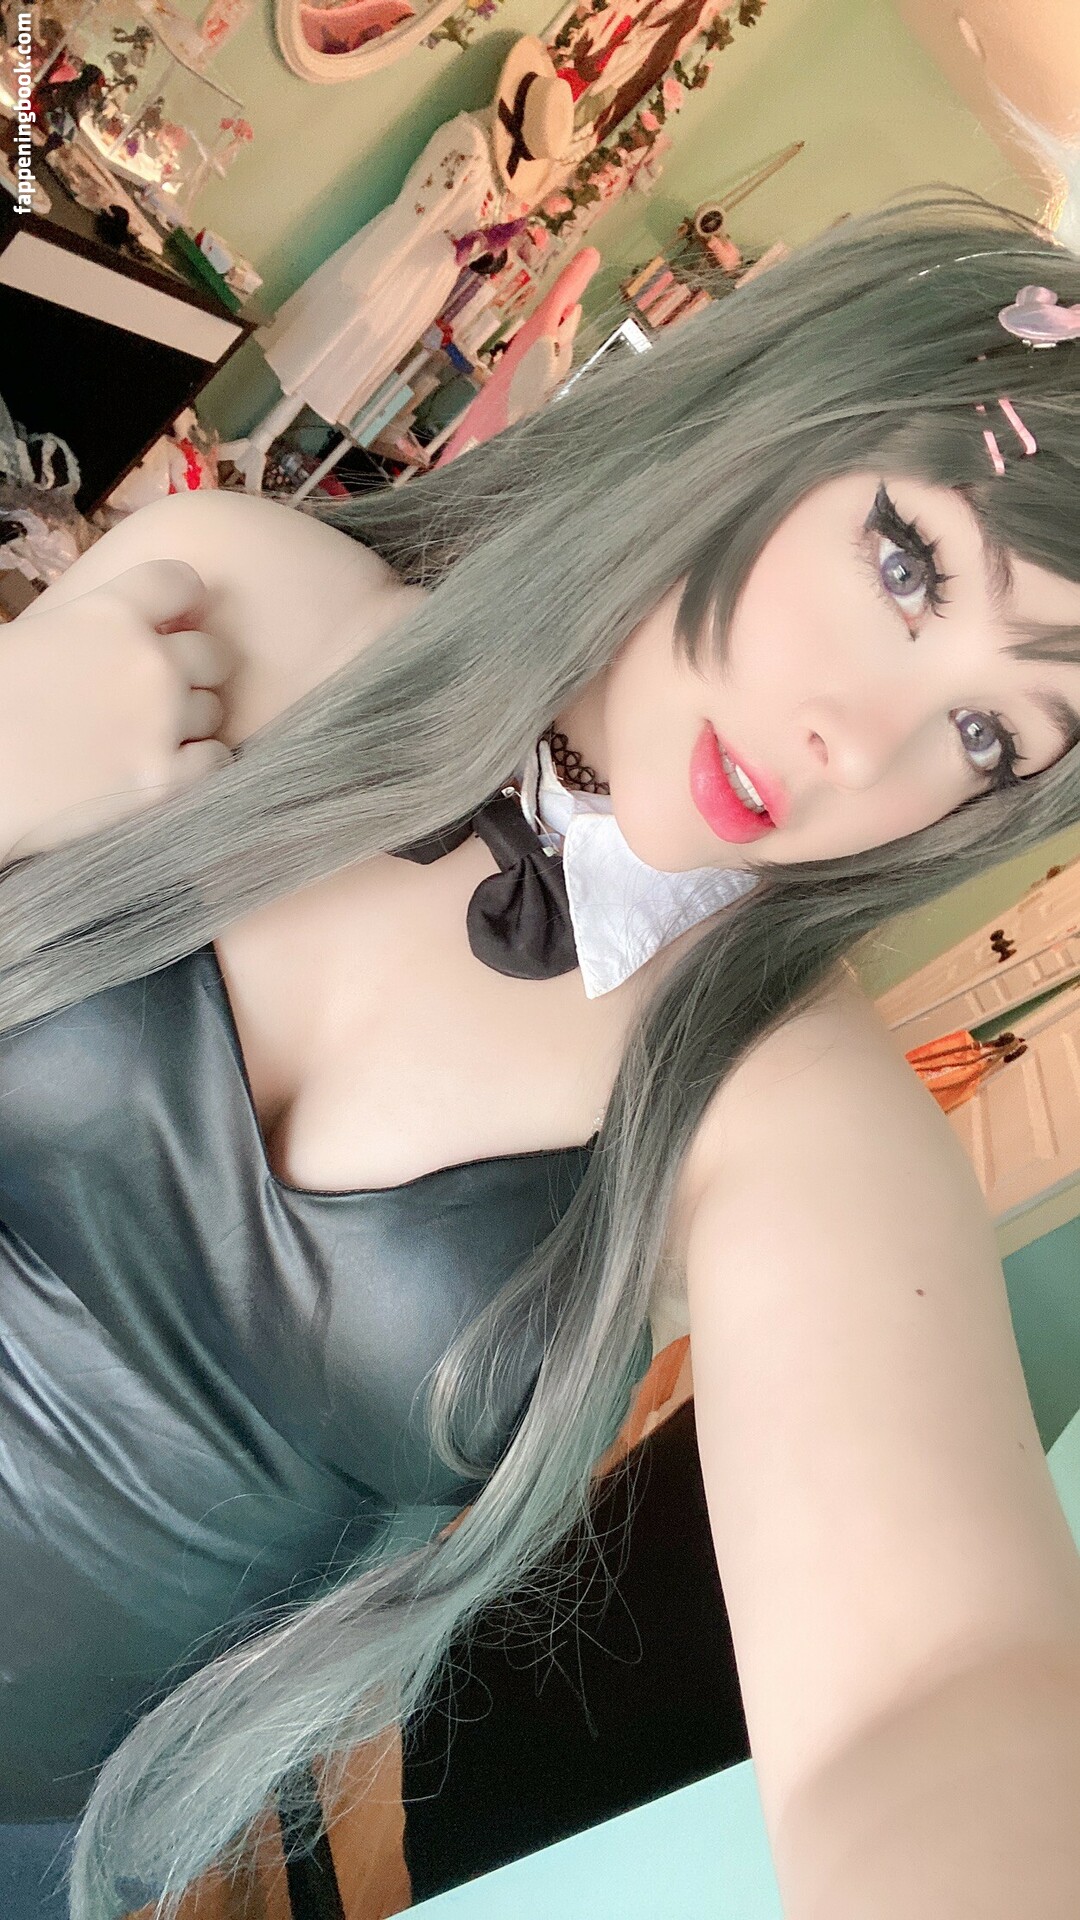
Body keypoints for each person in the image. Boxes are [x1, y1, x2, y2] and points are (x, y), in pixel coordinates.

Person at [2, 186, 1080, 1920]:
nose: (855, 745)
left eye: (982, 728)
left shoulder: (773, 1104)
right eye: (905, 565)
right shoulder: (252, 598)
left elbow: (934, 1687)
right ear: (787, 406)